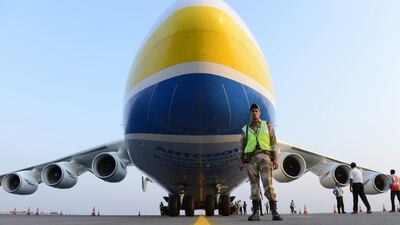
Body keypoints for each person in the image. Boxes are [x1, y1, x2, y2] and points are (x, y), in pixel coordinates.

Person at [239, 103, 282, 221]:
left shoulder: (267, 125)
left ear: (259, 113)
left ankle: (274, 211)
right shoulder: (245, 129)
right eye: (252, 111)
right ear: (250, 113)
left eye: (256, 111)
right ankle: (256, 213)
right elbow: (241, 146)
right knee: (254, 185)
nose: (254, 113)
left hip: (265, 157)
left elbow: (274, 143)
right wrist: (241, 160)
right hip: (251, 158)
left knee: (267, 183)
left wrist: (276, 159)